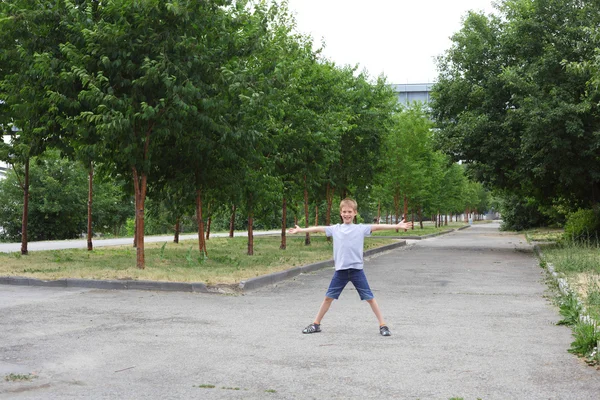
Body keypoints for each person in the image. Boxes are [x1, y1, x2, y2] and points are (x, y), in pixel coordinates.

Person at [288, 198, 413, 336]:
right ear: (340, 213)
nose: (347, 214)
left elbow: (377, 227)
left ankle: (383, 325)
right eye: (344, 212)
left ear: (355, 213)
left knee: (369, 298)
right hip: (340, 271)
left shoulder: (360, 228)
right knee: (328, 298)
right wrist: (300, 230)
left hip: (356, 271)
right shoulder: (335, 229)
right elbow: (318, 228)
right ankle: (316, 324)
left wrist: (398, 226)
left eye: (349, 212)